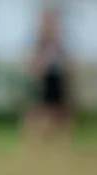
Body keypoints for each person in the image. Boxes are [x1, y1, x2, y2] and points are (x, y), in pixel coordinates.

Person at [22, 9, 73, 146]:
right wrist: (38, 69)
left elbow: (65, 62)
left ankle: (60, 143)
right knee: (39, 112)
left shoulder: (58, 44)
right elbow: (30, 63)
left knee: (61, 112)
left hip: (56, 78)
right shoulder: (39, 43)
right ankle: (34, 142)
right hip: (43, 79)